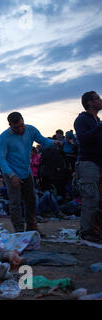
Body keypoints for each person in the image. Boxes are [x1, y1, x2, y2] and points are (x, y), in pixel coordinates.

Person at [0, 112, 60, 234]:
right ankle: (19, 230)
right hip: (10, 171)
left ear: (23, 121)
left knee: (31, 199)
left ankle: (32, 227)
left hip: (26, 171)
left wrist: (54, 142)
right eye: (16, 127)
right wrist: (11, 175)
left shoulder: (30, 130)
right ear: (10, 125)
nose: (20, 129)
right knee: (15, 201)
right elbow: (1, 159)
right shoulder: (4, 137)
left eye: (22, 125)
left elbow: (43, 141)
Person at [74, 91, 102, 242]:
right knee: (91, 197)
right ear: (89, 103)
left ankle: (95, 229)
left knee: (98, 199)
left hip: (98, 163)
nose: (100, 100)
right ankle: (86, 232)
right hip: (88, 163)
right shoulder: (81, 120)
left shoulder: (96, 120)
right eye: (97, 98)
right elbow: (83, 139)